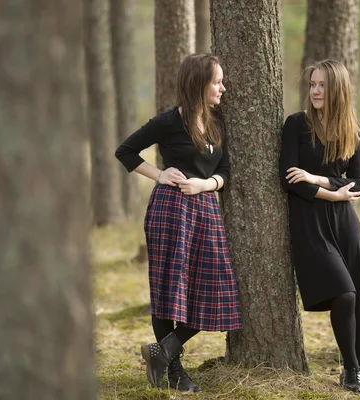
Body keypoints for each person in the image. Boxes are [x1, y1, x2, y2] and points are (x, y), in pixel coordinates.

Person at [115, 54, 242, 392]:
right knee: (169, 290)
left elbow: (225, 171)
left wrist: (205, 184)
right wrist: (159, 174)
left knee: (218, 290)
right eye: (217, 82)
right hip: (170, 212)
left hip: (206, 211)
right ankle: (176, 373)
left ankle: (165, 350)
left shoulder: (219, 122)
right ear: (199, 84)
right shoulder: (169, 121)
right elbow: (125, 151)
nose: (222, 88)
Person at [279, 59, 360, 395]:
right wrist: (331, 194)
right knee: (345, 293)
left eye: (322, 85)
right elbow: (290, 179)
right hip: (310, 223)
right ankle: (350, 370)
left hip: (344, 226)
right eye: (312, 84)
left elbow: (358, 184)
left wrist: (318, 178)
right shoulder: (296, 124)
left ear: (337, 89)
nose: (316, 91)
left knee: (358, 300)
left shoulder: (352, 133)